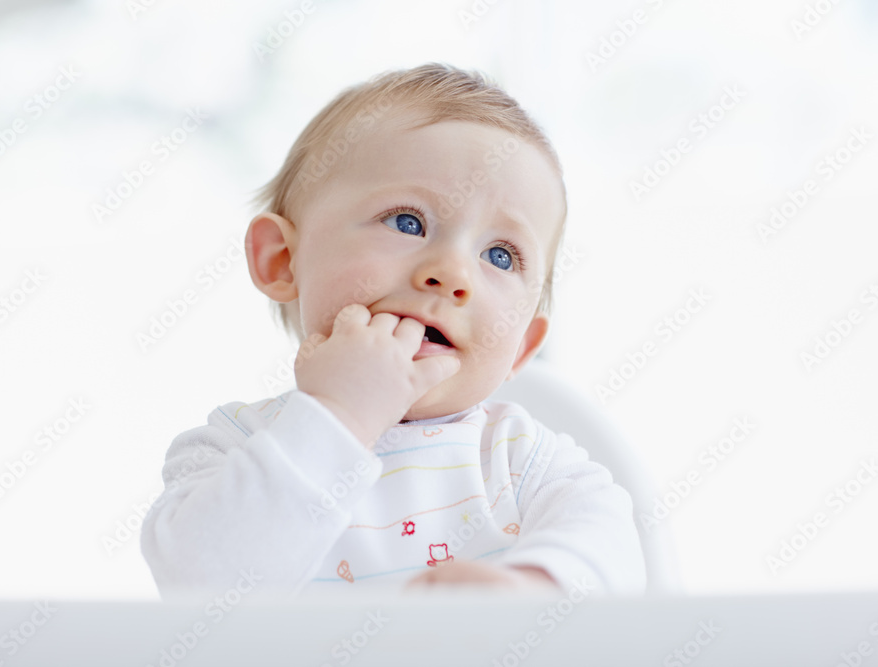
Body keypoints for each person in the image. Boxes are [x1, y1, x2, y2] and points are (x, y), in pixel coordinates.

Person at [140, 63, 646, 599]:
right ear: (284, 260)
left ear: (522, 346)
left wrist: (529, 592)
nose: (452, 272)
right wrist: (340, 415)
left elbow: (613, 559)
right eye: (408, 222)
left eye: (500, 255)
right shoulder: (233, 449)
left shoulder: (527, 463)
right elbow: (201, 585)